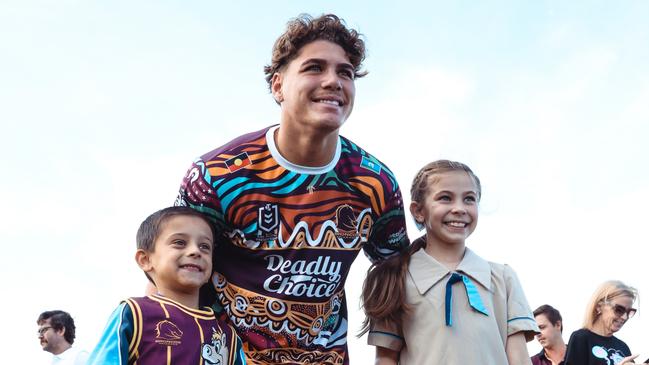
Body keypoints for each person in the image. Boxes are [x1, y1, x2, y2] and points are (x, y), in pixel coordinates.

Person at [175, 13, 409, 365]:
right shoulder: (216, 174)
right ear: (278, 86)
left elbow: (397, 275)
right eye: (315, 68)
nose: (333, 81)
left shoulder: (375, 185)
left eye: (344, 72)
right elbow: (168, 274)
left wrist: (387, 359)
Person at [361, 160, 538, 364]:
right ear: (418, 211)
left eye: (469, 199)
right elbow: (385, 359)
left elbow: (519, 359)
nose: (459, 208)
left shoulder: (504, 278)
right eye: (445, 198)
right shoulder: (395, 278)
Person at [87, 206, 246, 365]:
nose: (195, 251)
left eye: (205, 246)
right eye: (179, 242)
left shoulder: (229, 337)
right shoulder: (134, 313)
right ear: (146, 260)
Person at [564, 280, 646, 365]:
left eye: (629, 312)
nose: (624, 317)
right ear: (599, 307)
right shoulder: (581, 338)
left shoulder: (623, 347)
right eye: (619, 310)